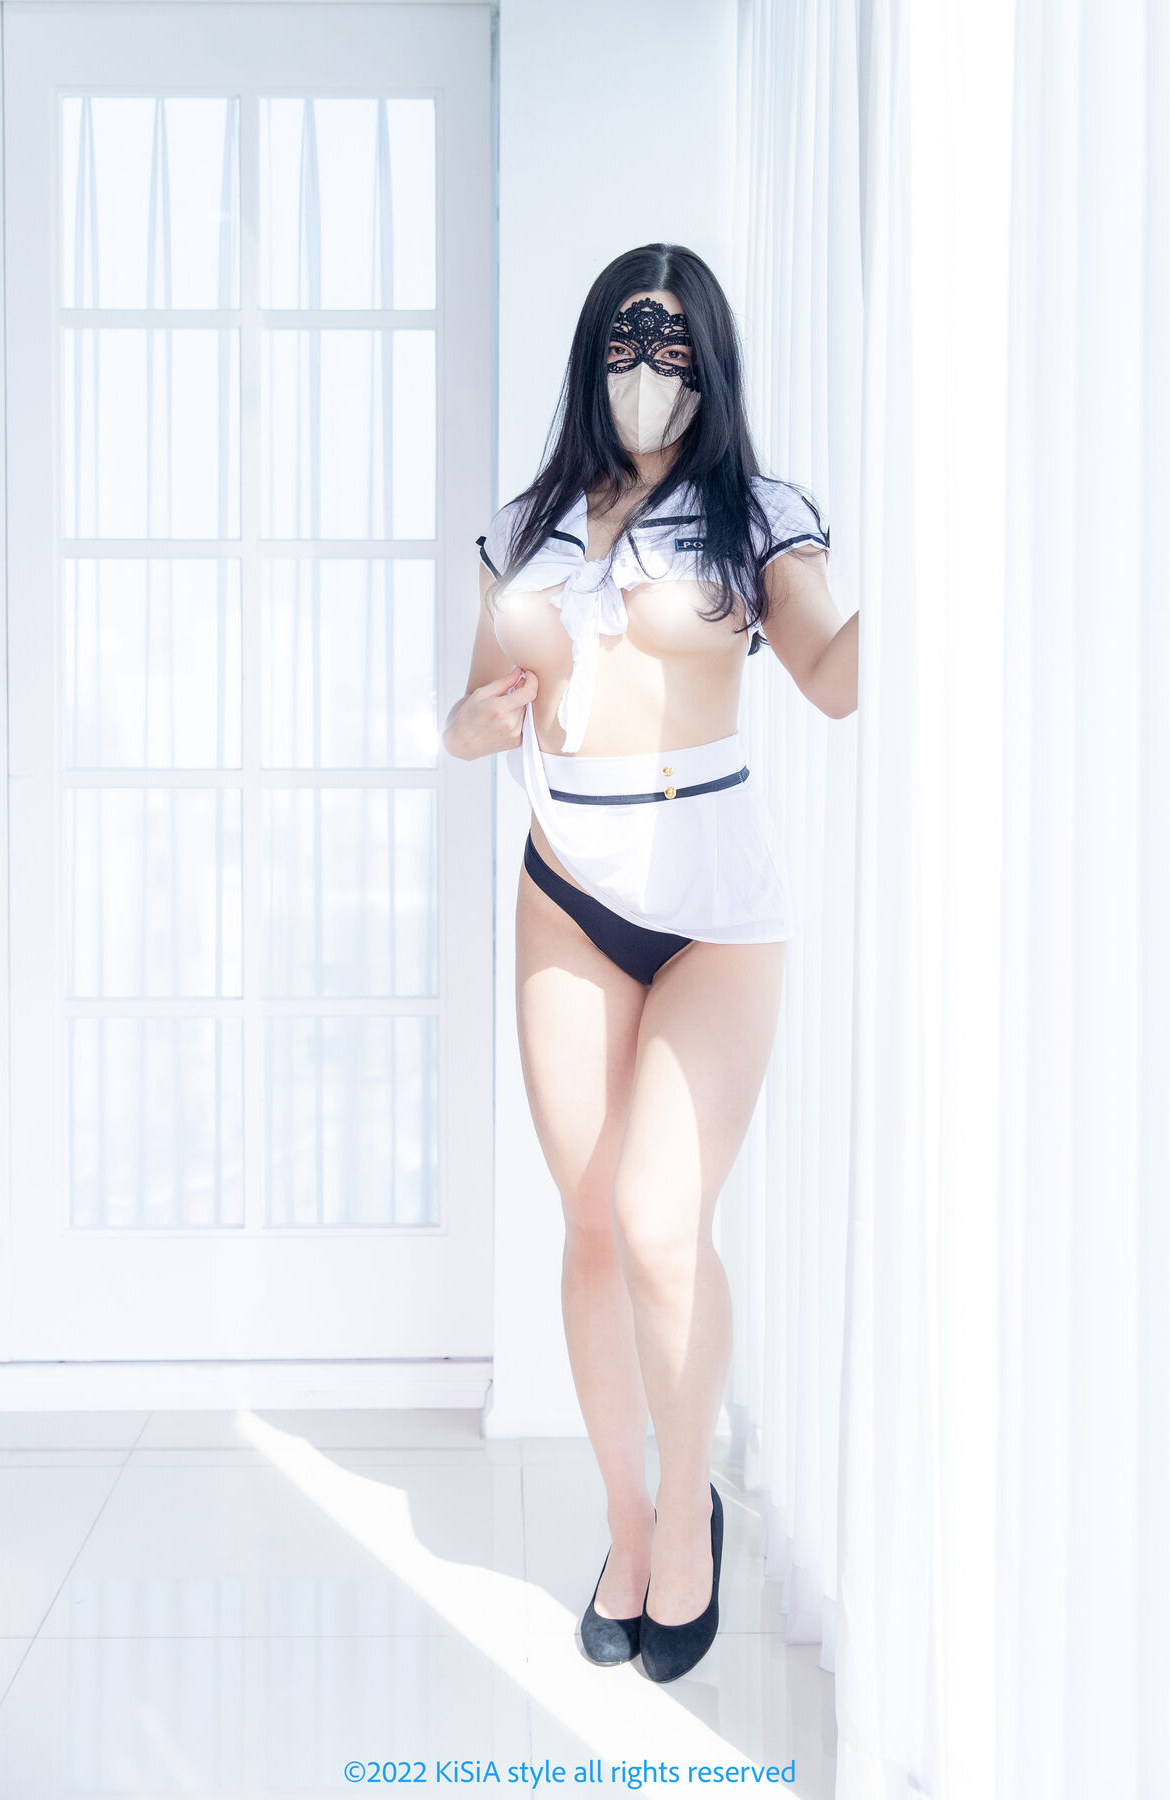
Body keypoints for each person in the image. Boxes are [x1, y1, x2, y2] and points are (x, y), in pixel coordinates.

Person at [443, 243, 858, 1682]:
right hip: (568, 886)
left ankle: (691, 1517)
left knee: (663, 1219)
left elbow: (832, 677)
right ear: (590, 353)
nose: (646, 368)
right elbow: (470, 711)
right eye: (626, 339)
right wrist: (472, 726)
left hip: (713, 904)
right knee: (592, 1227)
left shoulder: (759, 516)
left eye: (674, 345)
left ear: (710, 364)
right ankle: (627, 1526)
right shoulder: (529, 522)